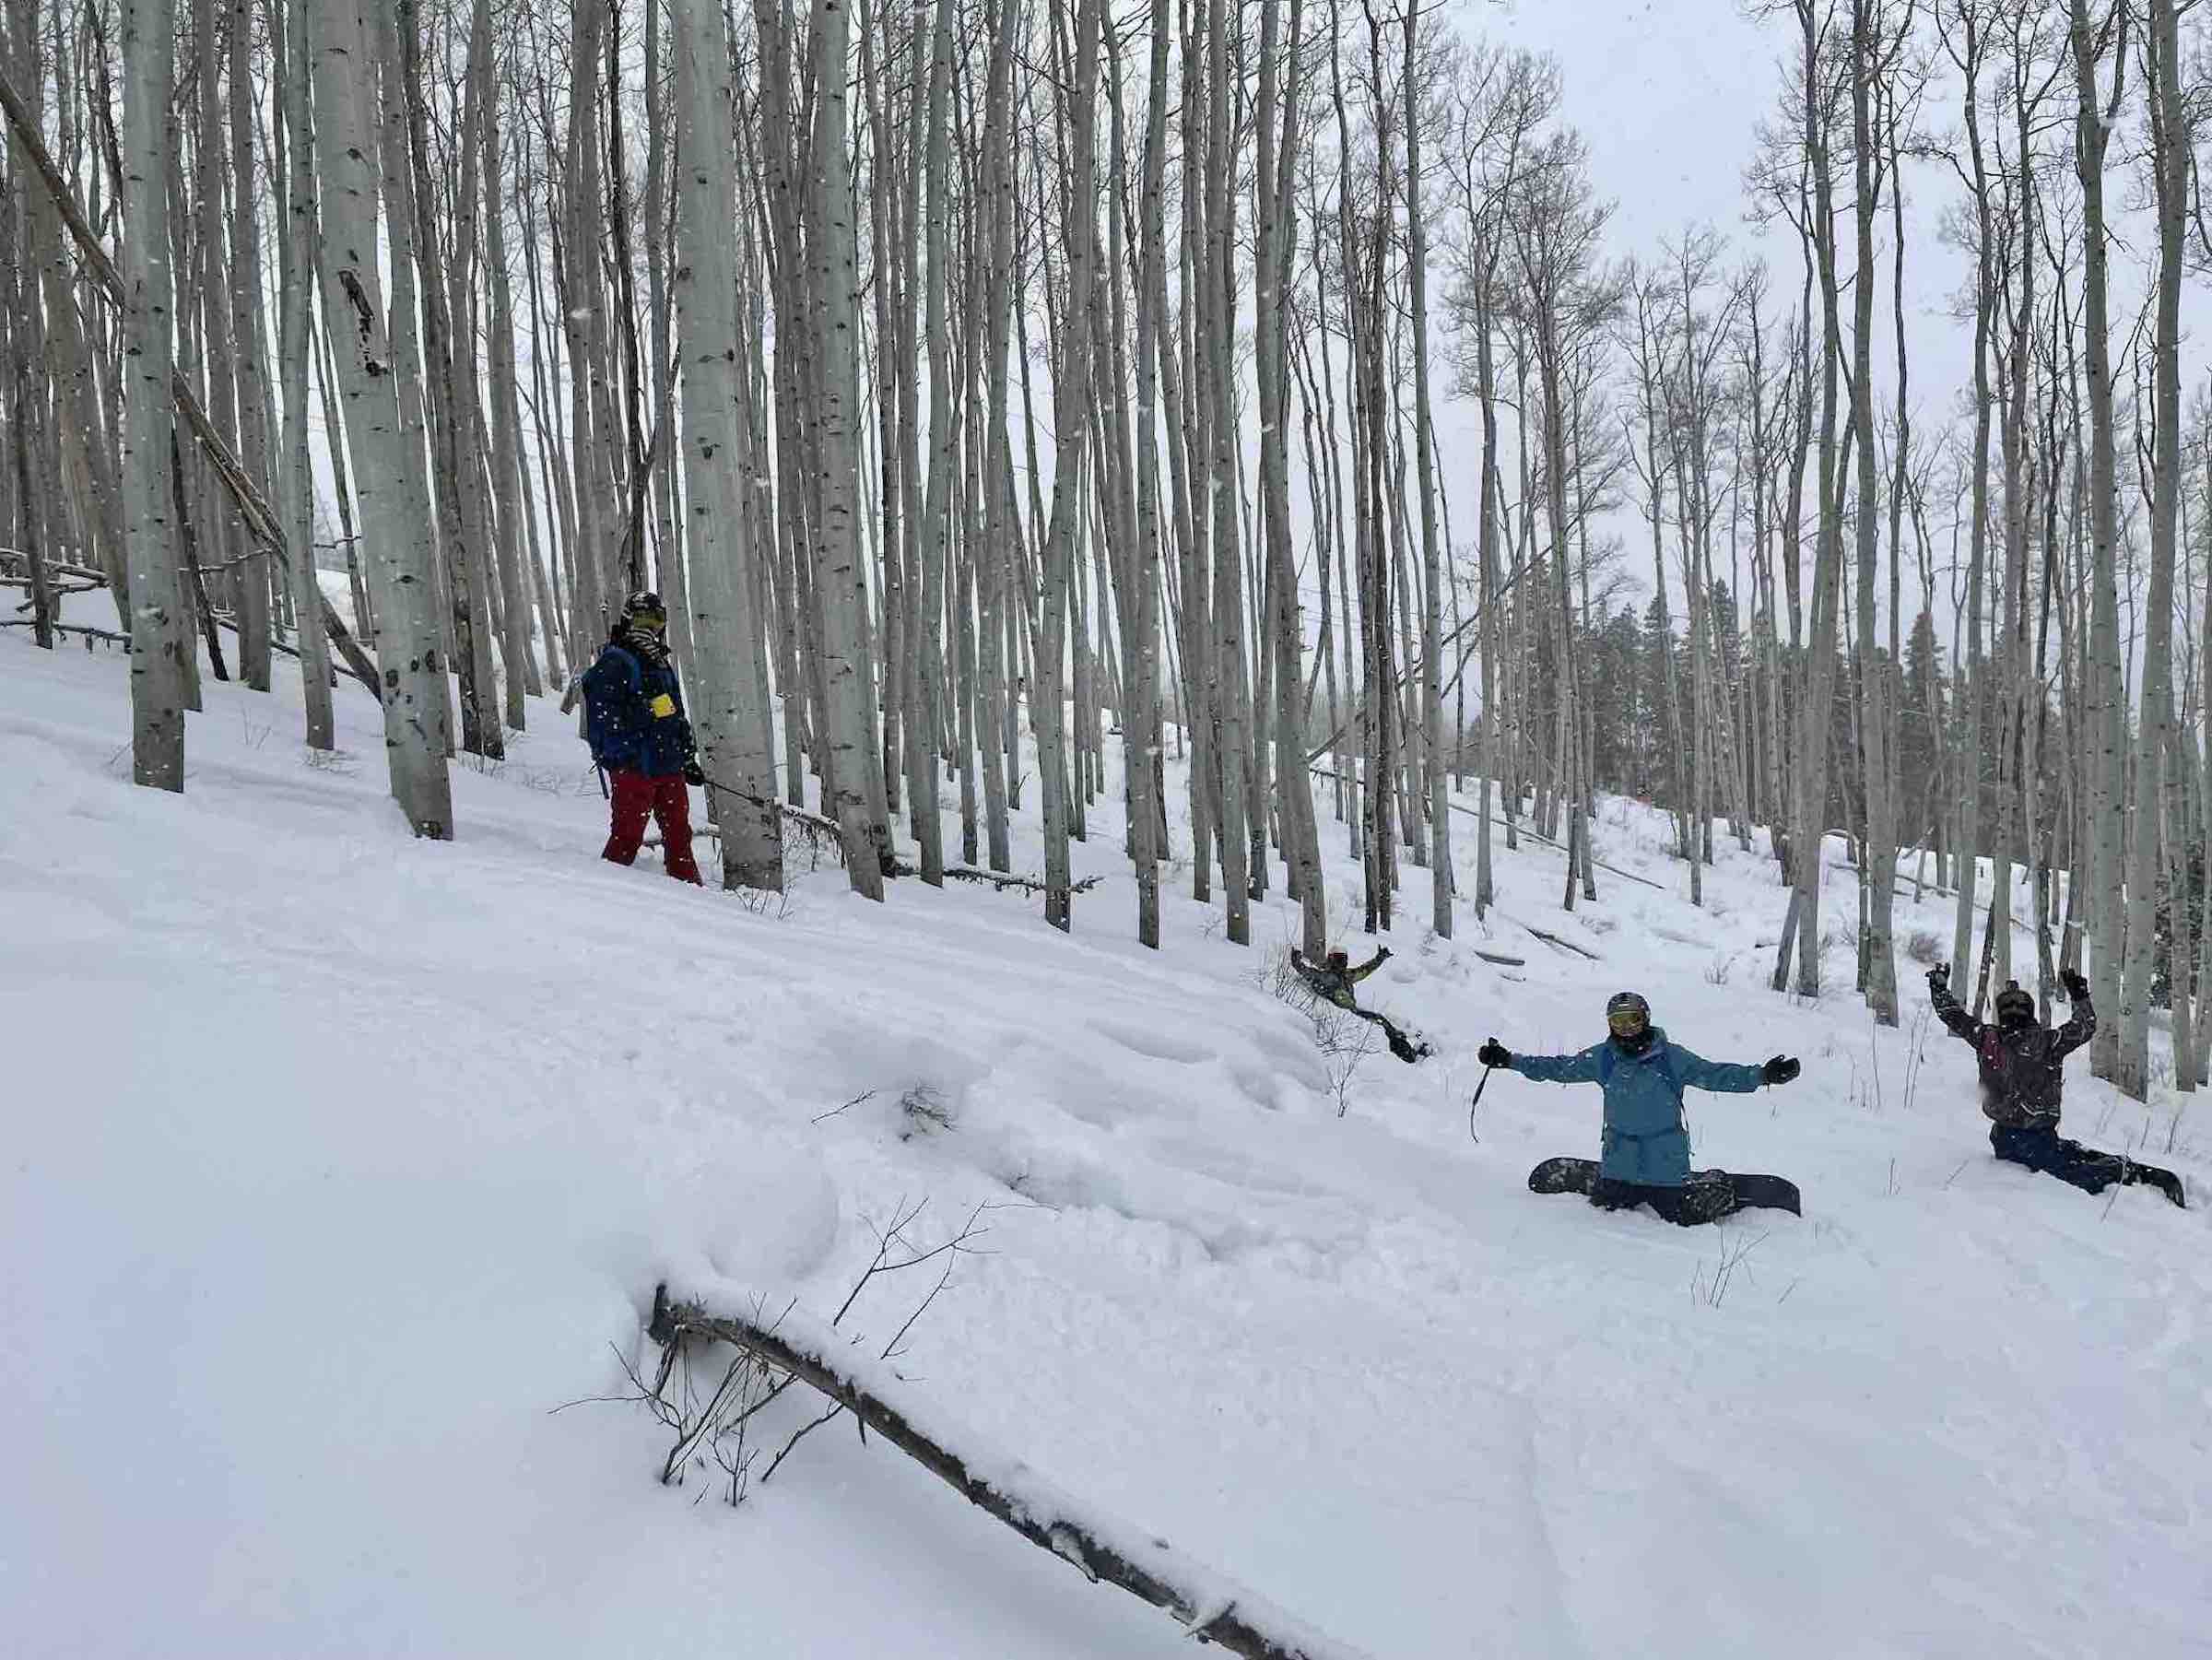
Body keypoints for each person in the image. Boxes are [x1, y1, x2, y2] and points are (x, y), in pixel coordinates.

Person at [1478, 992, 1799, 1225]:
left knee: (1682, 1218)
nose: (1626, 1029)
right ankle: (1604, 1181)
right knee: (1607, 1210)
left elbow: (1716, 1075)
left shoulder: (1671, 1058)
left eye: (1632, 1020)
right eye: (1618, 1022)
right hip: (1620, 1161)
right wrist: (1510, 1060)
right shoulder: (1603, 1058)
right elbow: (1558, 1068)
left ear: (1645, 1019)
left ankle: (1717, 1186)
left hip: (1665, 1163)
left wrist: (1762, 1075)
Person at [1927, 963, 2184, 1207]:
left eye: (2017, 1006)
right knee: (2076, 1171)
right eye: (2010, 1006)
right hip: (2017, 1137)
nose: (2014, 1011)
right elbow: (2085, 1025)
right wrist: (2079, 996)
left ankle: (2132, 1173)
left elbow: (1953, 1015)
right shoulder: (2031, 1041)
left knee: (2080, 1170)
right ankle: (2125, 1170)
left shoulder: (2003, 1040)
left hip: (2022, 1137)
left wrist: (1939, 990)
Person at [581, 590, 705, 886]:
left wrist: (687, 757)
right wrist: (645, 716)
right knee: (627, 837)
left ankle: (692, 894)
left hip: (669, 764)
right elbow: (604, 715)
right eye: (642, 619)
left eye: (656, 619)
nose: (649, 627)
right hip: (635, 766)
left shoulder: (660, 661)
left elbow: (676, 715)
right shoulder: (616, 660)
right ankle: (607, 895)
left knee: (679, 835)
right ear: (628, 619)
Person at [1289, 945, 1430, 1063]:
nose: (1342, 963)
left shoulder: (1346, 975)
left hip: (1352, 1012)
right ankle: (1407, 1054)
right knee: (1381, 1023)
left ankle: (1404, 1050)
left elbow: (1364, 970)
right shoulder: (1326, 977)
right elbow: (1308, 973)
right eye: (1338, 959)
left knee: (1383, 1022)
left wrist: (1379, 958)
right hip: (1344, 1015)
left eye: (1344, 959)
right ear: (1331, 959)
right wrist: (1297, 963)